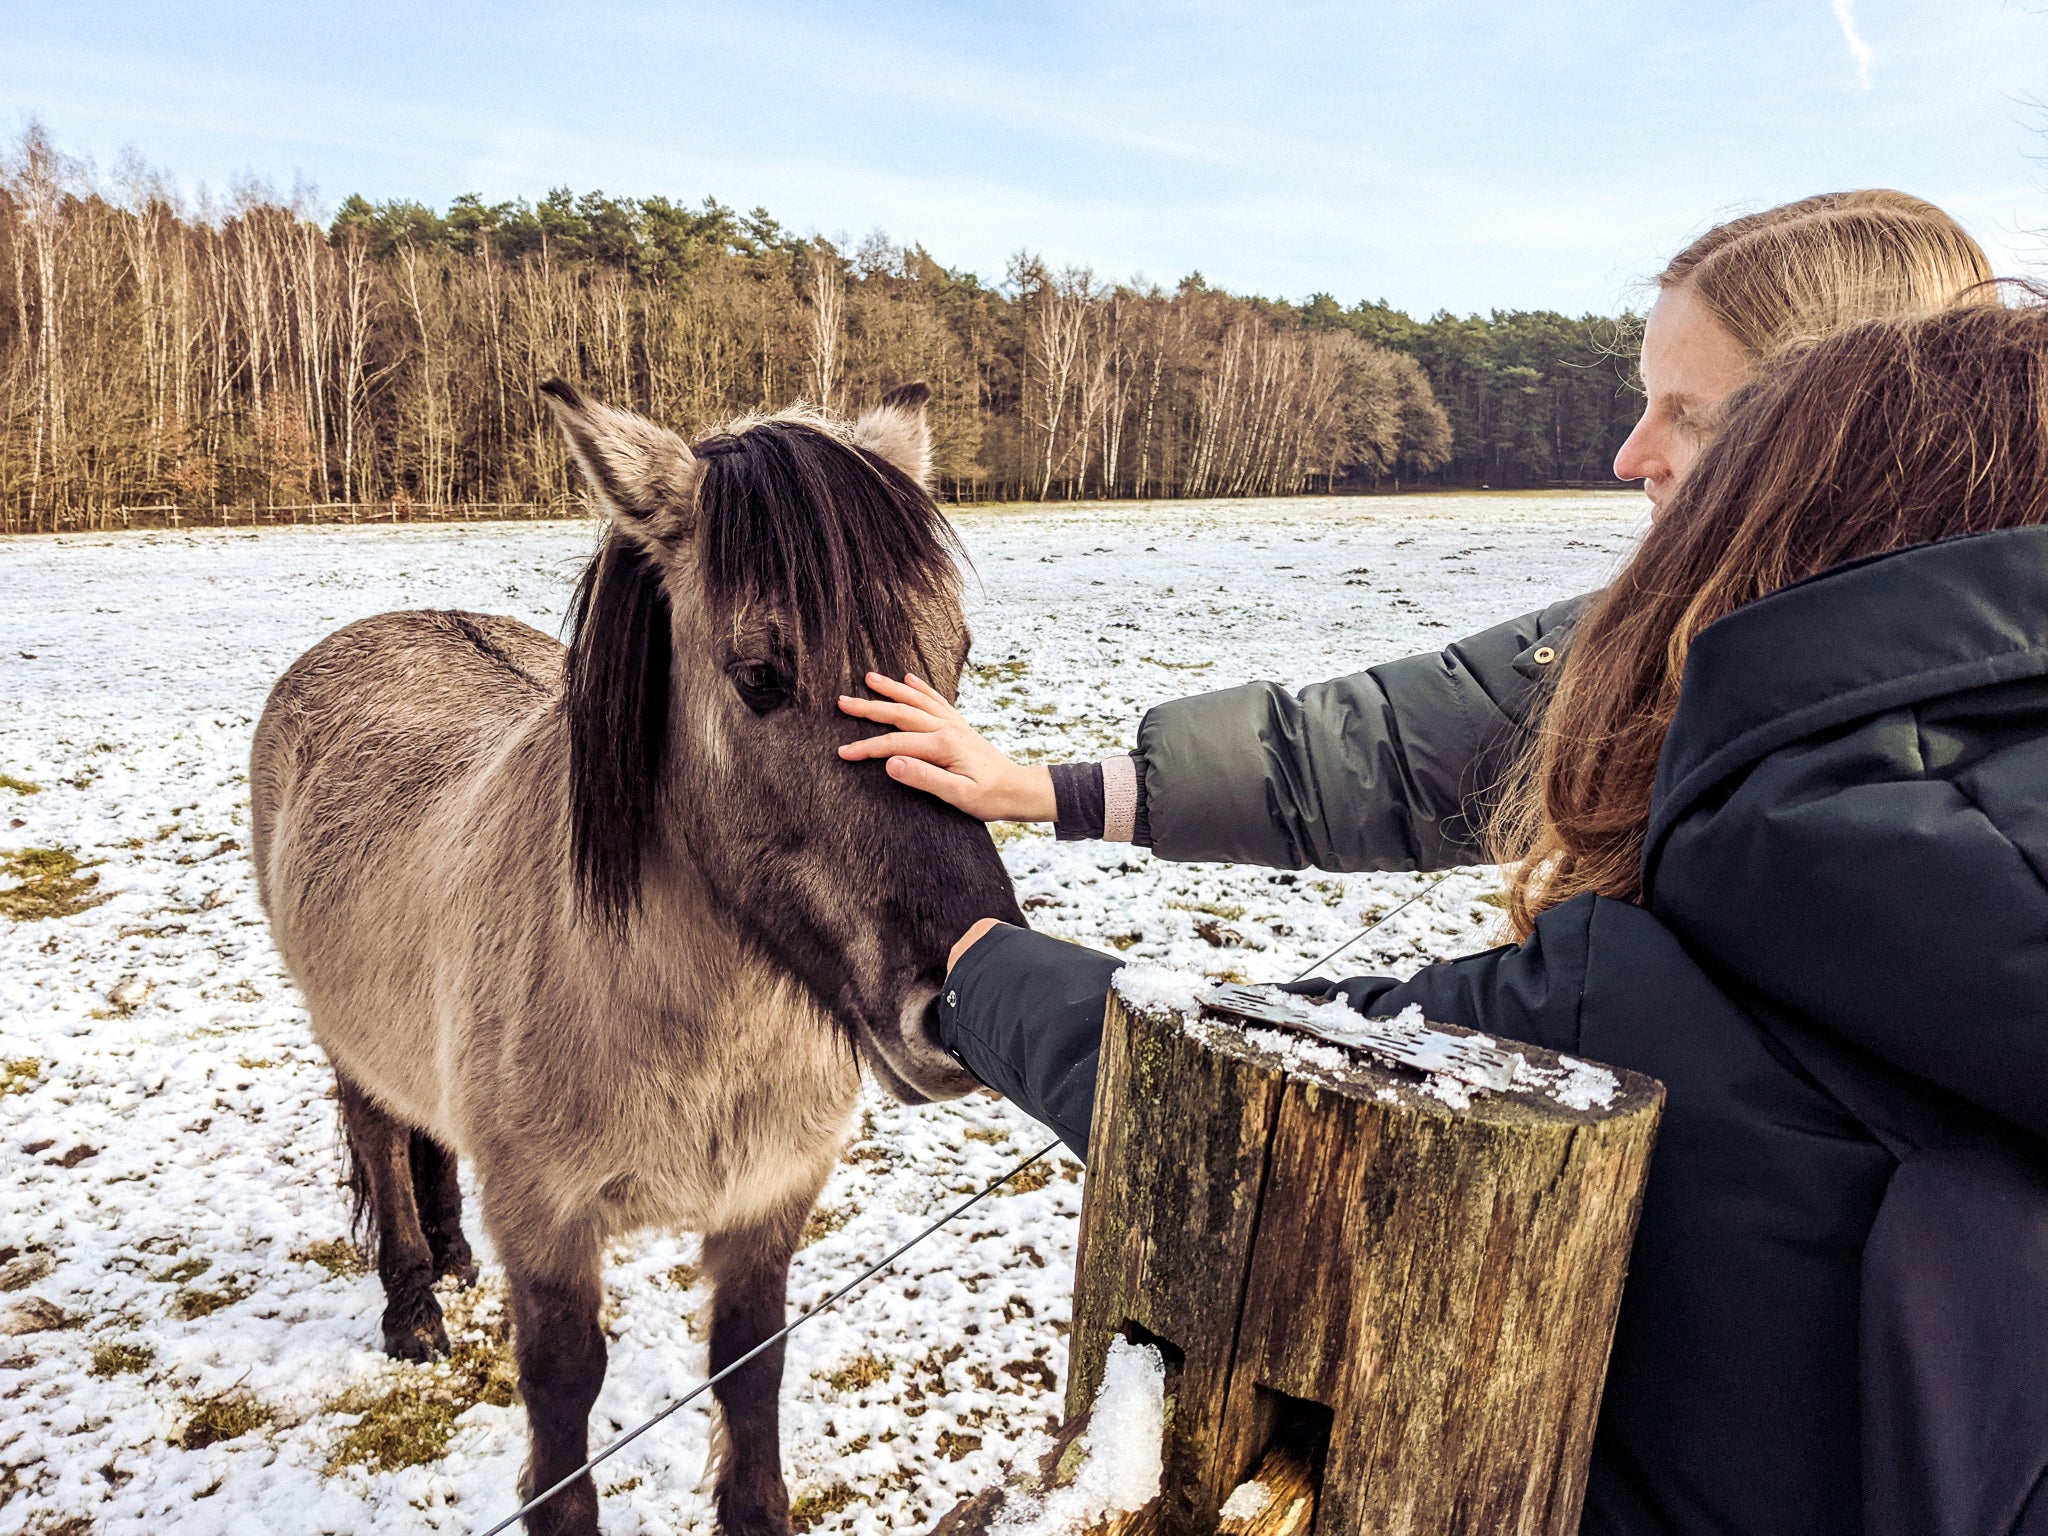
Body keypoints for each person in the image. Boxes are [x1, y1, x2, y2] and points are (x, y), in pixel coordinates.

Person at [839, 191, 1994, 881]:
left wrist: (990, 982)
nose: (1627, 458)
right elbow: (1387, 756)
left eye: (1685, 415)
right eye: (1639, 401)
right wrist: (1039, 788)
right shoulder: (1684, 639)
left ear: (1843, 435)